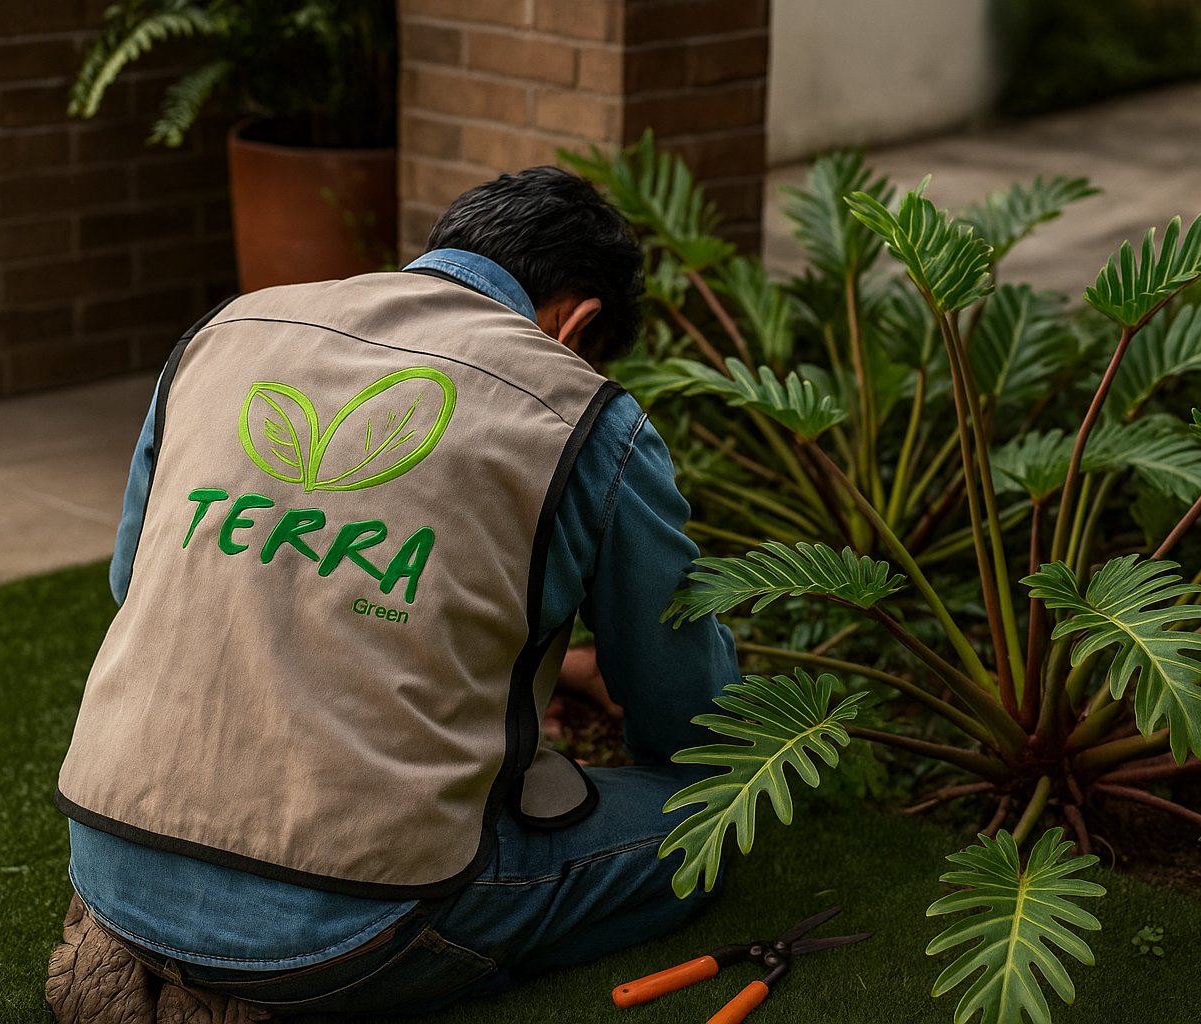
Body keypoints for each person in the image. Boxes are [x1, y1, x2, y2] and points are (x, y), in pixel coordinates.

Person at [55, 166, 739, 1016]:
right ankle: (306, 985)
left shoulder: (225, 330)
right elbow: (694, 721)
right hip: (354, 933)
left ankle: (180, 952)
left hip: (109, 859)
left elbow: (140, 582)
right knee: (709, 820)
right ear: (577, 324)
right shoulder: (586, 414)